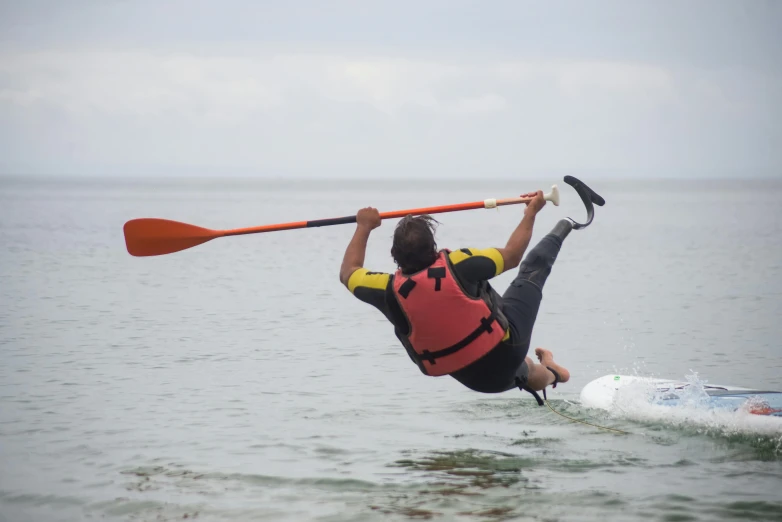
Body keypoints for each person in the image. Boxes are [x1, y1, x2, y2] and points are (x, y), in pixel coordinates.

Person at [338, 177, 604, 405]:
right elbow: (512, 256)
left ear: (394, 255)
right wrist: (531, 212)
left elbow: (348, 273)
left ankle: (555, 373)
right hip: (505, 350)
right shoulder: (460, 264)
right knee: (532, 269)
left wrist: (364, 226)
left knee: (521, 372)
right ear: (433, 247)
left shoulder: (386, 291)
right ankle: (569, 222)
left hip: (474, 378)